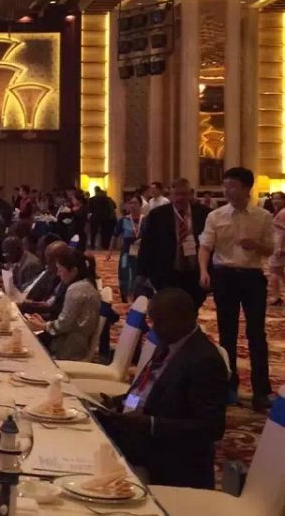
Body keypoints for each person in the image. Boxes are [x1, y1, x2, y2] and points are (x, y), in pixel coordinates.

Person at [96, 289, 228, 489]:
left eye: (160, 322)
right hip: (141, 433)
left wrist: (150, 423)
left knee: (91, 442)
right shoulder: (170, 342)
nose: (154, 329)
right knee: (88, 421)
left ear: (183, 319)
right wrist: (121, 403)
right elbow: (145, 392)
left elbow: (211, 428)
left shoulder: (204, 360)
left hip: (171, 453)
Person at [199, 166, 274, 411]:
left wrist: (256, 245)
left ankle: (261, 391)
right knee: (227, 333)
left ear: (246, 188)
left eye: (232, 186)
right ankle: (229, 387)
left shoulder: (263, 216)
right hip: (225, 277)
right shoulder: (216, 216)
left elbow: (271, 250)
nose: (227, 190)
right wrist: (203, 271)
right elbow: (206, 247)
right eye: (225, 185)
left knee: (256, 334)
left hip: (252, 277)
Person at [134, 177, 207, 310]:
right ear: (171, 195)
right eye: (177, 194)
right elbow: (147, 244)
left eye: (184, 194)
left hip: (195, 272)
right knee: (169, 308)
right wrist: (142, 272)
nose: (180, 198)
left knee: (192, 307)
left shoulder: (204, 214)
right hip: (167, 271)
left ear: (190, 194)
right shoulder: (157, 215)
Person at [28, 248, 100, 361]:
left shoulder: (76, 289)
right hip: (74, 342)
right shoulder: (86, 285)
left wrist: (43, 326)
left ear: (74, 271)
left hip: (69, 348)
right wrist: (45, 324)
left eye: (60, 270)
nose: (58, 274)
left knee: (27, 343)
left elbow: (64, 324)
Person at [110, 195, 144, 303]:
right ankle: (126, 296)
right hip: (126, 252)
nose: (133, 205)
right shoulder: (124, 220)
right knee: (124, 273)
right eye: (131, 203)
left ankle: (138, 296)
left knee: (139, 274)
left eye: (135, 203)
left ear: (140, 205)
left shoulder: (145, 220)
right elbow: (114, 235)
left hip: (142, 252)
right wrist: (110, 251)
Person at [268, 191, 285, 307]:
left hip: (279, 246)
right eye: (273, 198)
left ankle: (276, 297)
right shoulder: (278, 212)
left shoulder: (283, 213)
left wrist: (280, 247)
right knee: (279, 273)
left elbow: (282, 232)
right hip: (277, 245)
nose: (275, 201)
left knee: (274, 272)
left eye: (278, 198)